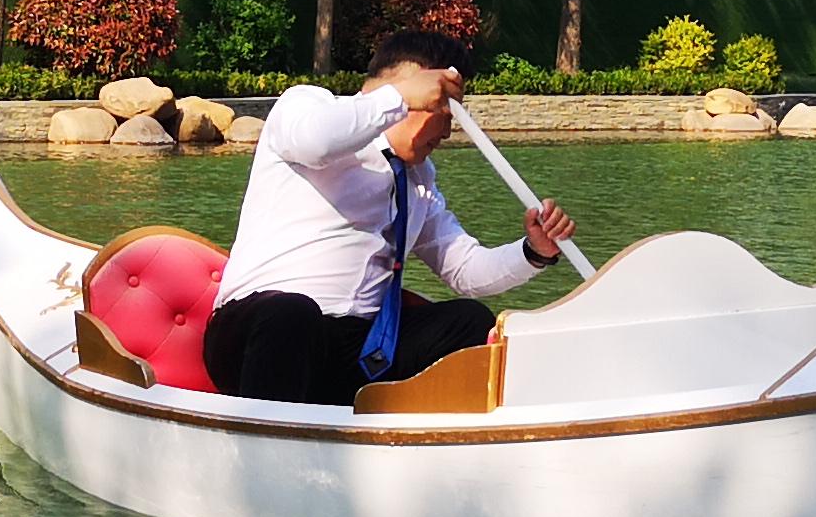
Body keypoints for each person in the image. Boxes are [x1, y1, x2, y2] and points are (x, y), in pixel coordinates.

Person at [202, 30, 576, 407]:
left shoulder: (418, 180)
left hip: (357, 346)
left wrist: (534, 251)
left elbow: (464, 268)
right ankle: (266, 448)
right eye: (444, 113)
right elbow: (316, 142)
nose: (446, 132)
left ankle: (434, 445)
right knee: (292, 314)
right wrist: (399, 97)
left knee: (467, 320)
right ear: (413, 86)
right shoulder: (306, 106)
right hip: (259, 332)